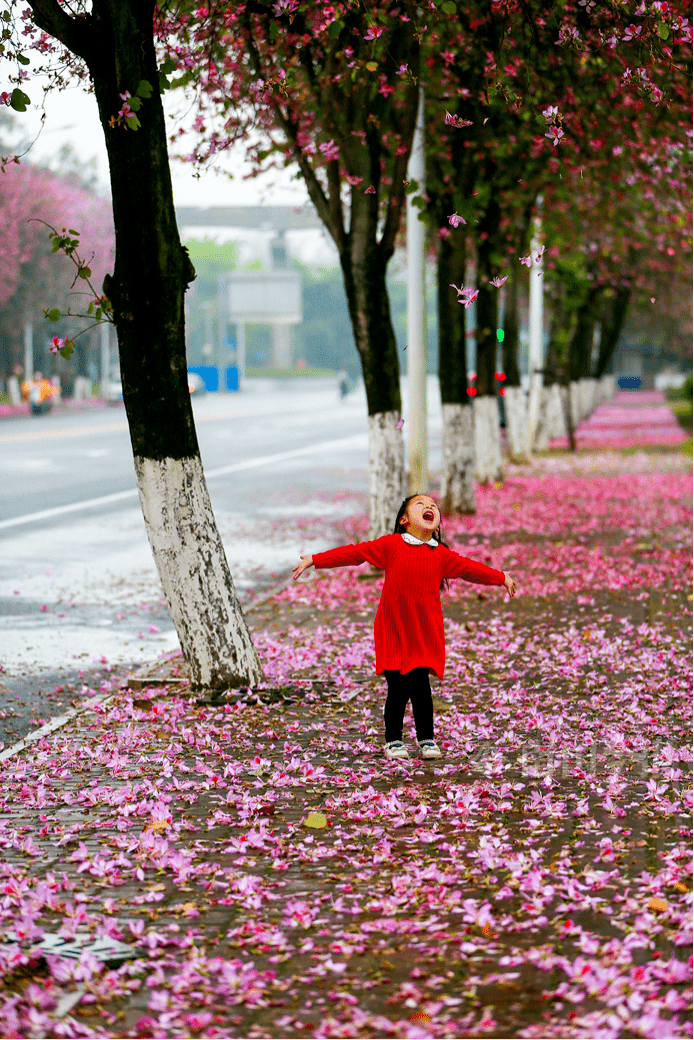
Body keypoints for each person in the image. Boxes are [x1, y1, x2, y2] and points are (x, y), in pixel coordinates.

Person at [292, 493, 516, 760]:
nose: (429, 506)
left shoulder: (441, 555)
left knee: (421, 687)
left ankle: (426, 740)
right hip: (393, 629)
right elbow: (354, 553)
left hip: (423, 632)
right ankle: (393, 741)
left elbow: (470, 569)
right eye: (420, 504)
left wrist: (501, 577)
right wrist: (315, 559)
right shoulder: (391, 545)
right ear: (404, 519)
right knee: (397, 688)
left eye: (433, 505)